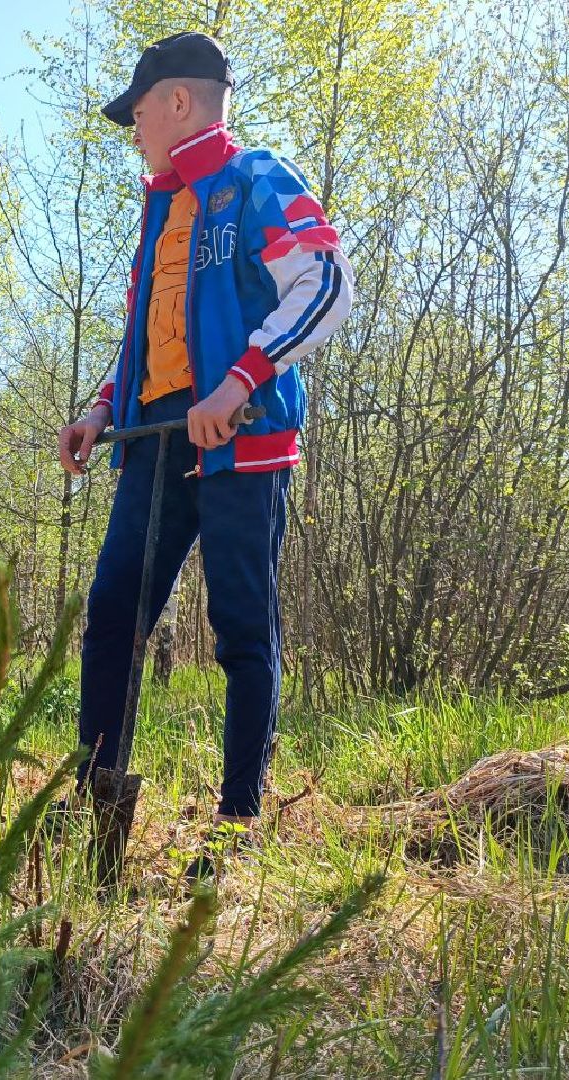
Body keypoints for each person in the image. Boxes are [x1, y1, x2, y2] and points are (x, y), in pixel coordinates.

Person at [55, 32, 354, 872]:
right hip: (150, 445)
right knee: (114, 614)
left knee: (240, 629)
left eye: (139, 113)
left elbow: (326, 280)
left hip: (242, 443)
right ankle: (97, 805)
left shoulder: (256, 178)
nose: (135, 129)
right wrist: (101, 405)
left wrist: (242, 379)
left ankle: (235, 826)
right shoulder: (159, 210)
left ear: (177, 102)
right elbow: (152, 332)